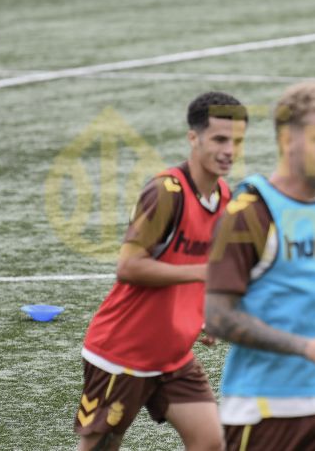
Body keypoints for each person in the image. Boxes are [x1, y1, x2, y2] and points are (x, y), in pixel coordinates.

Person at [73, 92, 248, 450]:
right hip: (121, 353)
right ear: (193, 138)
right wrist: (205, 274)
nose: (229, 149)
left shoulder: (224, 197)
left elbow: (195, 265)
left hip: (173, 355)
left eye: (236, 141)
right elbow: (129, 266)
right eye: (219, 139)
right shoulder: (166, 192)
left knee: (211, 441)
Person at [206, 82, 315, 451]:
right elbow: (217, 318)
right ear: (287, 140)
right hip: (267, 409)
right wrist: (307, 349)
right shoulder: (249, 213)